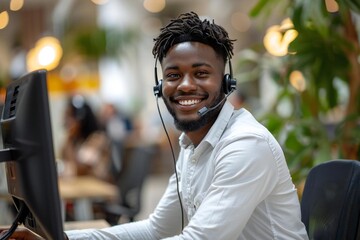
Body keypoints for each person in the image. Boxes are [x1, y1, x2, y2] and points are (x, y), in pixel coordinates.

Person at [3, 12, 308, 239]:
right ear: (160, 86)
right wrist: (60, 238)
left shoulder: (245, 145)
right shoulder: (191, 146)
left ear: (226, 83)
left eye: (201, 73)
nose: (185, 85)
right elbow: (156, 229)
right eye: (173, 75)